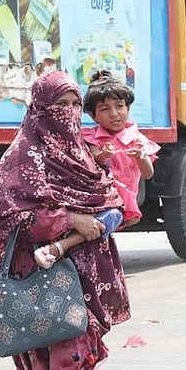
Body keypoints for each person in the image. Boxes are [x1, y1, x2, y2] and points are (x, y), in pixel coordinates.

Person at [0, 70, 131, 370]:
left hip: (83, 271)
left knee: (49, 358)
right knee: (65, 357)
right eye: (58, 105)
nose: (68, 113)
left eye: (74, 105)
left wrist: (102, 212)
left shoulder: (80, 150)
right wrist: (71, 219)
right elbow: (15, 215)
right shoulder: (24, 155)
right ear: (39, 108)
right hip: (44, 275)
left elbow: (108, 192)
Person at [33, 71, 159, 268]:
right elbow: (93, 161)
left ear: (128, 108)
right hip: (95, 197)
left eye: (120, 106)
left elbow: (148, 173)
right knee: (98, 229)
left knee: (109, 220)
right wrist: (103, 155)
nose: (114, 113)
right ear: (92, 115)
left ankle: (59, 248)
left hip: (120, 202)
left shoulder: (138, 140)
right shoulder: (91, 137)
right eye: (105, 109)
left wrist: (141, 157)